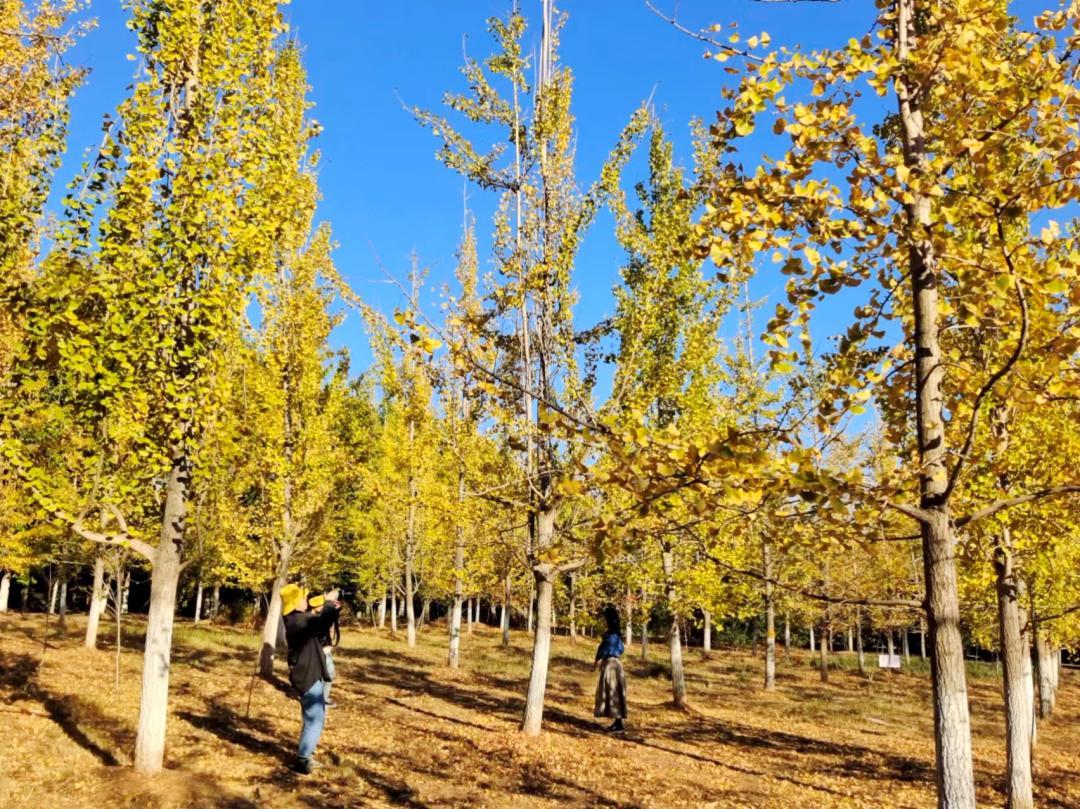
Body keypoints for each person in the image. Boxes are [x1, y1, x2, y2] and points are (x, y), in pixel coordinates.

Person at [280, 583, 340, 774]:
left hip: (310, 672)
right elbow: (321, 622)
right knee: (315, 719)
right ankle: (303, 760)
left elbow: (321, 623)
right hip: (307, 675)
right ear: (295, 602)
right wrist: (329, 604)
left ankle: (305, 756)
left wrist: (331, 608)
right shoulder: (299, 621)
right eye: (303, 598)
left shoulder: (297, 619)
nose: (306, 600)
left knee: (315, 718)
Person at [593, 605, 627, 732]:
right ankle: (618, 722)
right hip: (615, 664)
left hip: (611, 665)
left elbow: (604, 649)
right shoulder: (615, 634)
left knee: (614, 692)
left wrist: (598, 659)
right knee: (615, 691)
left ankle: (618, 723)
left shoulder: (611, 635)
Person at [308, 594, 338, 708]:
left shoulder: (319, 618)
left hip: (324, 649)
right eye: (320, 604)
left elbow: (328, 621)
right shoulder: (312, 619)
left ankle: (322, 698)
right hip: (320, 650)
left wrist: (335, 609)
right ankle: (320, 699)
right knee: (326, 675)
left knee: (328, 675)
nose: (322, 606)